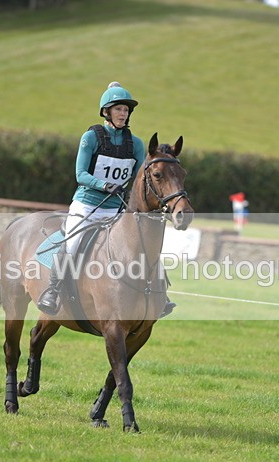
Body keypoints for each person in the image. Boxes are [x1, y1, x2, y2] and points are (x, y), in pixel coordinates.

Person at [36, 82, 176, 318]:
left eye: (126, 110)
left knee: (143, 244)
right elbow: (80, 174)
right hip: (87, 203)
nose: (124, 114)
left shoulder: (136, 144)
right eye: (119, 109)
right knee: (72, 242)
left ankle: (161, 295)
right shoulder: (91, 137)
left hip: (117, 208)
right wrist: (103, 185)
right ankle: (53, 290)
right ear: (106, 111)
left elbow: (141, 177)